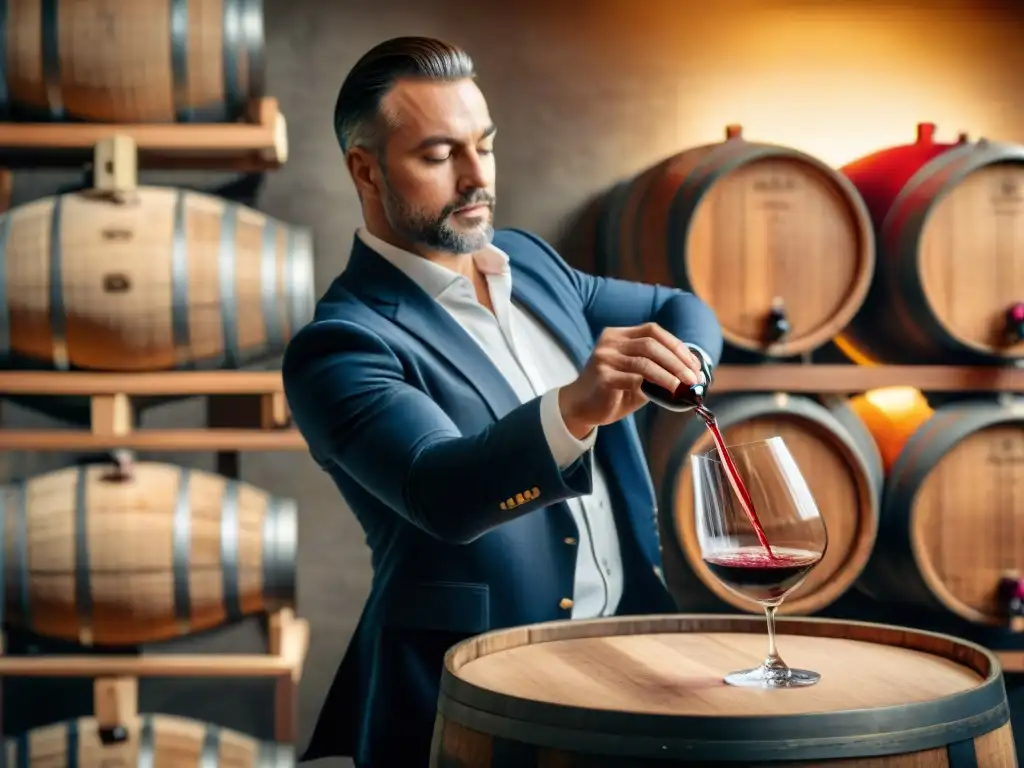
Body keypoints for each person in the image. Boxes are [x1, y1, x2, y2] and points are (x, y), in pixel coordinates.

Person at [282, 36, 724, 768]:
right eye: (438, 155)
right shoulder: (342, 343)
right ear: (364, 169)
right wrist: (576, 407)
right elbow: (442, 491)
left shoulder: (533, 264)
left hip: (629, 670)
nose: (474, 178)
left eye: (483, 146)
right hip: (464, 706)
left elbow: (679, 307)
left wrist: (685, 373)